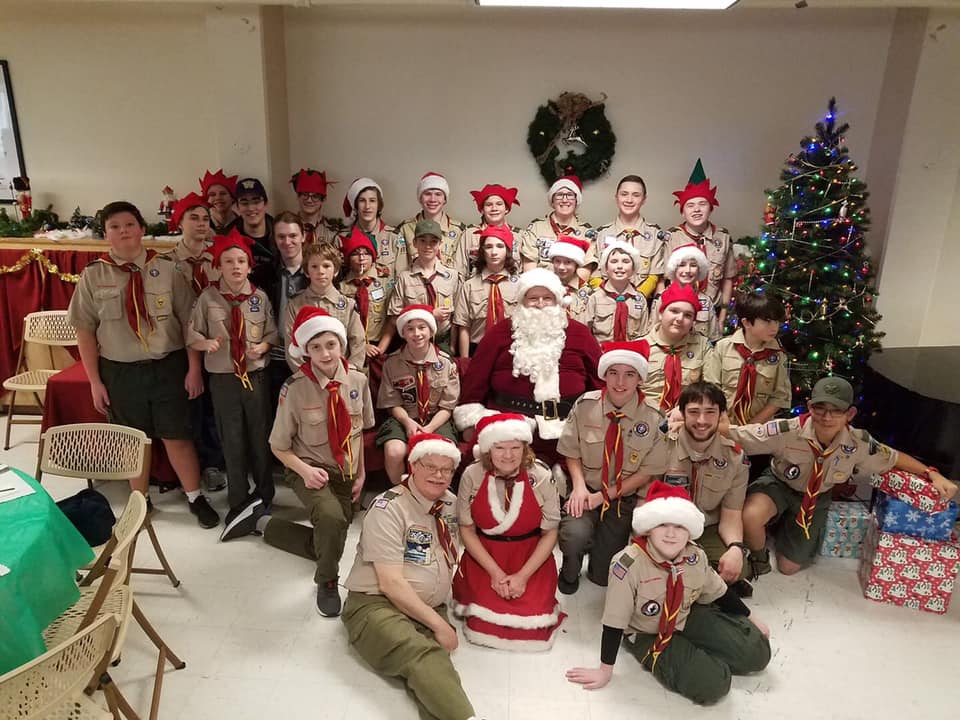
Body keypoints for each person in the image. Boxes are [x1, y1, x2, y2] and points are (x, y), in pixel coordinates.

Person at [67, 201, 218, 527]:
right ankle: (141, 501)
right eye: (115, 226)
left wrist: (194, 368)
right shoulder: (94, 275)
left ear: (142, 228)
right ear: (106, 234)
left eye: (129, 225)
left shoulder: (168, 268)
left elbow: (188, 323)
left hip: (168, 366)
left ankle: (194, 496)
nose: (123, 231)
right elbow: (84, 331)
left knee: (177, 435)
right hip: (120, 371)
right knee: (132, 441)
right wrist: (95, 381)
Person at [723, 376, 958, 578]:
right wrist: (693, 424)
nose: (827, 416)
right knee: (751, 516)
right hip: (779, 484)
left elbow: (894, 458)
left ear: (850, 413)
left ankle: (784, 526)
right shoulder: (787, 431)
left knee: (788, 567)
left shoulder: (858, 443)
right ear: (809, 407)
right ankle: (759, 555)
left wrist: (931, 473)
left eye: (836, 410)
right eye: (820, 408)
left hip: (816, 497)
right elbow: (742, 435)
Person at [221, 307, 374, 617]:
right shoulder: (294, 388)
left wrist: (361, 474)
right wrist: (304, 471)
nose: (325, 353)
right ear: (305, 351)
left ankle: (262, 524)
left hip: (346, 473)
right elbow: (277, 446)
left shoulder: (358, 380)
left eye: (330, 344)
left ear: (341, 344)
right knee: (331, 521)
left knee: (331, 538)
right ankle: (327, 582)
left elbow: (360, 434)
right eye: (315, 347)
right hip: (306, 469)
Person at [566, 481, 771, 705]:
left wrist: (751, 617)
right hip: (648, 631)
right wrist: (605, 670)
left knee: (758, 653)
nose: (671, 534)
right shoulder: (627, 565)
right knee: (714, 684)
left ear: (690, 531)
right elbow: (615, 622)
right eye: (663, 524)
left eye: (680, 526)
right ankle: (699, 659)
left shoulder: (695, 555)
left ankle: (707, 648)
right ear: (649, 528)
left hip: (686, 614)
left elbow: (718, 591)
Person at [341, 433, 479, 720]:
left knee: (434, 667)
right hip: (376, 603)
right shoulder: (388, 508)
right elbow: (390, 583)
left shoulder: (450, 504)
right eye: (431, 467)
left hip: (426, 606)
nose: (440, 476)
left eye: (447, 470)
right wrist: (439, 626)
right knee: (421, 654)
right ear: (413, 466)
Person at [454, 268, 602, 462]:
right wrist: (470, 422)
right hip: (509, 428)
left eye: (547, 298)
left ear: (558, 301)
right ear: (522, 301)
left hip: (567, 430)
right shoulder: (499, 333)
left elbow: (600, 382)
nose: (540, 304)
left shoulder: (580, 334)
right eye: (533, 298)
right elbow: (475, 382)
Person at [556, 340, 667, 593]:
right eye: (613, 373)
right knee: (574, 534)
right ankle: (570, 567)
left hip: (621, 500)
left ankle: (598, 549)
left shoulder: (654, 417)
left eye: (629, 374)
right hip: (585, 492)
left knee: (602, 577)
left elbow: (647, 471)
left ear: (640, 378)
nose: (620, 382)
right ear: (604, 374)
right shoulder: (585, 406)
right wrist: (579, 487)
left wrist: (603, 497)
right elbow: (571, 452)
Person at [452, 413, 564, 650]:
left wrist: (523, 576)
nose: (508, 455)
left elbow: (550, 533)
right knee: (482, 623)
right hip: (485, 555)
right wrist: (494, 573)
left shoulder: (541, 476)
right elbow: (467, 529)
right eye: (500, 447)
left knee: (533, 624)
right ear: (487, 450)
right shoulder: (472, 475)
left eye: (515, 447)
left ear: (525, 447)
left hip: (530, 556)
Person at [187, 229, 277, 524]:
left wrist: (262, 347)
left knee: (260, 436)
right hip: (224, 379)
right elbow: (192, 333)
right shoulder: (207, 298)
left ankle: (265, 494)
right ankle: (238, 499)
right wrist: (205, 344)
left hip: (255, 378)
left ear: (250, 266)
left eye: (241, 261)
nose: (236, 267)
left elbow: (272, 333)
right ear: (218, 266)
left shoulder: (259, 298)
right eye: (229, 261)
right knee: (232, 438)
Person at [661, 382, 751, 594]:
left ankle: (700, 577)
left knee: (736, 567)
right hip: (666, 527)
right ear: (681, 413)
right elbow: (646, 503)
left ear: (721, 414)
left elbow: (731, 514)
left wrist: (736, 548)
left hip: (706, 527)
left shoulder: (736, 458)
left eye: (710, 412)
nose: (701, 421)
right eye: (693, 412)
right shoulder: (662, 446)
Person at [164, 192, 225, 492]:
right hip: (182, 347)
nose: (201, 224)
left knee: (214, 408)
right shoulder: (165, 263)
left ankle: (214, 463)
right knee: (190, 407)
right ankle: (193, 468)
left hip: (218, 345)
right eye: (193, 218)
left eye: (205, 218)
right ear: (180, 222)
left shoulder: (220, 257)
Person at [377, 305, 460, 485]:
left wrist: (429, 429)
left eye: (422, 327)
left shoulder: (446, 363)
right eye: (410, 329)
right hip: (403, 417)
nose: (417, 333)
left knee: (443, 450)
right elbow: (392, 403)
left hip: (436, 418)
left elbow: (447, 406)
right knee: (394, 451)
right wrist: (407, 422)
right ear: (403, 333)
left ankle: (435, 491)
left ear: (431, 331)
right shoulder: (392, 363)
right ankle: (402, 491)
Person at [662, 160, 736, 328]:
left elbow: (727, 279)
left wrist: (723, 316)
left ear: (711, 208)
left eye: (702, 204)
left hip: (714, 313)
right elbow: (665, 279)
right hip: (680, 312)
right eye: (690, 205)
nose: (696, 210)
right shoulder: (672, 237)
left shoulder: (723, 238)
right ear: (683, 210)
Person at [250, 212, 310, 411]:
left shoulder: (317, 271)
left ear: (303, 236)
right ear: (274, 240)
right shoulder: (263, 275)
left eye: (293, 235)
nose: (287, 241)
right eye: (281, 236)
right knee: (279, 417)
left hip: (309, 356)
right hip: (275, 356)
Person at [703, 291, 790, 425]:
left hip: (758, 429)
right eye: (767, 321)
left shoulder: (778, 355)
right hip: (722, 423)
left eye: (776, 321)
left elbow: (779, 397)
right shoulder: (723, 347)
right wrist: (723, 419)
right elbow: (711, 386)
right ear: (747, 322)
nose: (774, 327)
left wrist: (751, 428)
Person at [283, 242, 366, 370]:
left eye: (326, 266)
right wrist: (306, 375)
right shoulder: (295, 305)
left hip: (342, 373)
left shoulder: (347, 305)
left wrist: (350, 369)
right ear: (306, 271)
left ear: (336, 271)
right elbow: (291, 346)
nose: (320, 271)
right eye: (314, 266)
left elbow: (358, 342)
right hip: (309, 377)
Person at [384, 219, 461, 354]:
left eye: (433, 241)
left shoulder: (452, 276)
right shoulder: (405, 277)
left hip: (443, 341)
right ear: (414, 243)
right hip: (413, 341)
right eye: (423, 241)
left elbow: (456, 318)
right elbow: (395, 317)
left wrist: (453, 347)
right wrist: (429, 313)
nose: (428, 246)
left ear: (440, 244)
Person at [452, 225, 521, 358]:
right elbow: (464, 327)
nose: (494, 252)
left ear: (508, 250)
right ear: (482, 251)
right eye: (488, 247)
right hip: (478, 349)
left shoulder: (520, 284)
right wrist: (465, 360)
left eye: (500, 246)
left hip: (512, 350)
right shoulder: (469, 286)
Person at [593, 175, 668, 298]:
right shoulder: (601, 234)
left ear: (644, 199)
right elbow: (595, 275)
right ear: (616, 198)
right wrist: (610, 296)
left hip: (642, 304)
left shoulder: (655, 235)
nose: (629, 200)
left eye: (636, 195)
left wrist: (635, 298)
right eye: (624, 194)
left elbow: (655, 276)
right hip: (606, 304)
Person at [641, 284, 710, 414]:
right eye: (674, 311)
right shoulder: (639, 346)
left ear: (693, 322)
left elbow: (710, 389)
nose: (680, 319)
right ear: (661, 313)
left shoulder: (703, 347)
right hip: (644, 418)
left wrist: (684, 409)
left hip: (687, 418)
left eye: (688, 315)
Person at [520, 175, 596, 278]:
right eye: (559, 195)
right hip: (541, 287)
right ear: (552, 200)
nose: (565, 200)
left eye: (570, 195)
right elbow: (529, 268)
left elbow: (585, 271)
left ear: (576, 200)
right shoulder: (536, 228)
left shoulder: (587, 232)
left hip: (573, 291)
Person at [581, 240, 648, 343]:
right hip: (601, 353)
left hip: (631, 354)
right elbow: (585, 333)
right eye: (614, 261)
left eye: (626, 261)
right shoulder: (594, 298)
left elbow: (643, 335)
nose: (620, 266)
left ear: (633, 267)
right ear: (606, 267)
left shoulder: (640, 300)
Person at [650, 243, 719, 342]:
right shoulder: (661, 297)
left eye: (693, 265)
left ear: (700, 270)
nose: (687, 270)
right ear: (674, 268)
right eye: (682, 265)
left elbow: (713, 339)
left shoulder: (706, 301)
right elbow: (652, 333)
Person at [342, 177, 408, 279]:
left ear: (379, 205)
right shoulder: (342, 238)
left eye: (372, 200)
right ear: (355, 205)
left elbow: (402, 278)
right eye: (362, 201)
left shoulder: (394, 237)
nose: (367, 206)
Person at [397, 172, 466, 268]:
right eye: (427, 194)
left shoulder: (459, 231)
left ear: (445, 199)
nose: (433, 199)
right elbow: (399, 268)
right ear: (420, 198)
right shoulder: (405, 229)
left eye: (438, 194)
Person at [455, 183, 522, 279]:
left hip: (511, 291)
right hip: (476, 290)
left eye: (499, 204)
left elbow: (524, 273)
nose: (494, 208)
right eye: (489, 205)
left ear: (506, 208)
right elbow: (459, 270)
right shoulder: (470, 234)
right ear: (482, 209)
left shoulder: (518, 236)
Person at [546, 235, 594, 319]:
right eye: (557, 261)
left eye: (567, 262)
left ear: (576, 265)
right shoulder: (543, 288)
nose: (561, 267)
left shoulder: (588, 292)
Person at [290, 168, 342, 246]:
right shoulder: (287, 228)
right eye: (305, 194)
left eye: (315, 196)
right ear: (298, 196)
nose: (309, 200)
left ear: (323, 199)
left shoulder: (333, 233)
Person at [232, 178, 274, 266]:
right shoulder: (229, 238)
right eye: (244, 203)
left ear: (265, 204)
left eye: (256, 201)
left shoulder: (281, 235)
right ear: (237, 207)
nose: (250, 208)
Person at [199, 168, 239, 234]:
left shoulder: (242, 224)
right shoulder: (201, 225)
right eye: (212, 194)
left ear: (232, 198)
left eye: (223, 193)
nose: (218, 198)